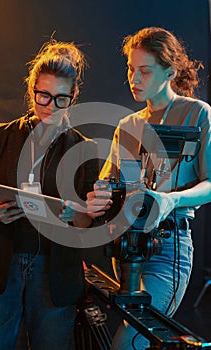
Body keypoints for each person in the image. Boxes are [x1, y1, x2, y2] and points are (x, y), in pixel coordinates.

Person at [86, 26, 211, 349]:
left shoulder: (197, 113)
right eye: (130, 69)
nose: (134, 78)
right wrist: (97, 196)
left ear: (169, 72)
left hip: (168, 247)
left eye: (144, 71)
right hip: (126, 245)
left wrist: (169, 201)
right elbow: (107, 182)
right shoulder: (128, 125)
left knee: (129, 341)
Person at [0, 38, 99, 349]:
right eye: (43, 96)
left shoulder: (84, 148)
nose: (49, 106)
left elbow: (88, 223)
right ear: (31, 90)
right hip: (1, 263)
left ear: (73, 98)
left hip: (55, 270)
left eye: (60, 99)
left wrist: (77, 213)